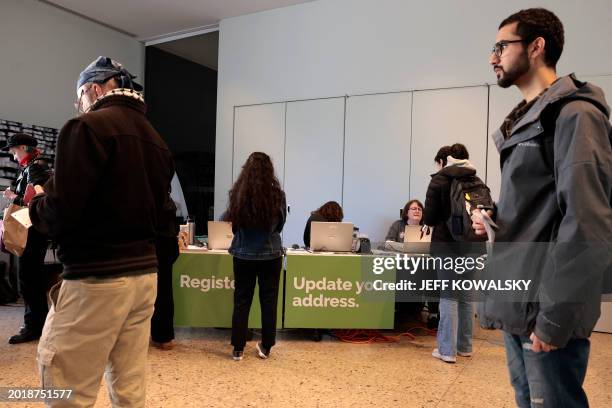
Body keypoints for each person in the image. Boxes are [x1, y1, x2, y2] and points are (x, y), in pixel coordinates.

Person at [472, 8, 612, 407]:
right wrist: (496, 219)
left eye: (502, 45)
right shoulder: (529, 119)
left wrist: (553, 321)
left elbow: (588, 226)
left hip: (546, 310)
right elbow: (542, 207)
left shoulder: (575, 116)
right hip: (520, 302)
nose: (492, 56)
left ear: (536, 47)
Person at [29, 56, 175, 407]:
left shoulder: (87, 128)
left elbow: (62, 211)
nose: (78, 106)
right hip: (143, 277)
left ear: (93, 89)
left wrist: (35, 207)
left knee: (66, 387)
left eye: (78, 97)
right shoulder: (155, 138)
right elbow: (163, 212)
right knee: (129, 384)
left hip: (96, 278)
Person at [226, 152, 286, 361]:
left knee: (241, 300)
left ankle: (238, 348)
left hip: (243, 255)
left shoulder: (238, 193)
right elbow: (280, 225)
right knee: (269, 301)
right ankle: (266, 346)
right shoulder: (277, 194)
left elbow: (234, 226)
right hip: (271, 255)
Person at [424, 143, 480, 363]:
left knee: (448, 297)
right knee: (466, 297)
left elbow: (429, 218)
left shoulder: (439, 180)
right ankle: (465, 347)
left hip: (447, 247)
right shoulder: (476, 180)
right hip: (474, 247)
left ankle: (447, 350)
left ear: (442, 162)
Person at [2, 133, 51, 344]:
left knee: (29, 279)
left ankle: (33, 326)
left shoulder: (35, 168)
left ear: (23, 147)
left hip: (32, 232)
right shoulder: (33, 167)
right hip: (32, 231)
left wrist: (14, 197)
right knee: (32, 279)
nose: (12, 156)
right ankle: (36, 324)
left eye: (13, 151)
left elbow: (37, 198)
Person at [150, 196, 180, 350]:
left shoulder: (146, 197)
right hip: (167, 245)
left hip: (151, 245)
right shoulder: (168, 202)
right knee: (165, 291)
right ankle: (165, 337)